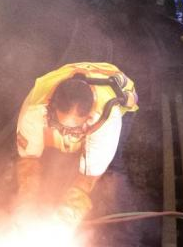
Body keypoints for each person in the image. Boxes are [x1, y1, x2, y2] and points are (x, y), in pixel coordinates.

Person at [15, 62, 138, 225]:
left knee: (112, 171)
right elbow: (29, 158)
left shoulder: (106, 119)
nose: (67, 133)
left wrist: (66, 217)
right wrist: (26, 203)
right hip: (64, 91)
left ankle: (124, 231)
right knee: (47, 164)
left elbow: (89, 177)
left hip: (121, 100)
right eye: (61, 127)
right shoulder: (35, 110)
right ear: (51, 108)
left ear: (88, 117)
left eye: (74, 130)